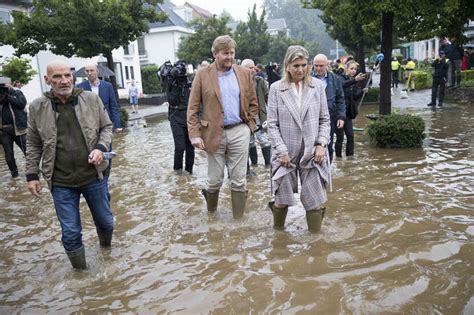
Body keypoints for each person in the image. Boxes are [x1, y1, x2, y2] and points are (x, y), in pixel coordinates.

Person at [26, 60, 114, 270]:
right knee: (71, 232)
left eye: (67, 75)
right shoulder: (38, 107)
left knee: (106, 222)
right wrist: (31, 175)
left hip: (94, 176)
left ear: (73, 77)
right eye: (57, 77)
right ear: (47, 80)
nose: (64, 81)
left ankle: (107, 253)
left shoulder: (91, 100)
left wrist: (100, 149)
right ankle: (81, 275)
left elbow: (107, 127)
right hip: (60, 181)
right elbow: (33, 142)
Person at [187, 35, 258, 219]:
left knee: (239, 179)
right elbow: (193, 107)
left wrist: (249, 126)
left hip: (239, 130)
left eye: (232, 53)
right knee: (215, 179)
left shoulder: (244, 73)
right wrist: (195, 134)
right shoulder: (203, 74)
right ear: (215, 54)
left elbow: (253, 102)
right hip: (212, 133)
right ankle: (212, 217)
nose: (229, 57)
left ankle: (238, 222)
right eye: (225, 53)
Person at [267, 45, 331, 233]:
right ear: (287, 66)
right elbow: (271, 124)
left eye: (304, 65)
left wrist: (321, 144)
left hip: (312, 153)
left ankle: (316, 242)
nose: (301, 70)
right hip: (285, 154)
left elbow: (325, 119)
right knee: (281, 200)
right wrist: (281, 151)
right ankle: (278, 236)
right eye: (296, 66)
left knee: (314, 201)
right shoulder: (276, 89)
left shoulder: (317, 87)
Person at [160, 60, 195, 175]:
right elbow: (163, 76)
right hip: (175, 115)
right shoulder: (170, 81)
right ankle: (178, 171)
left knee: (190, 146)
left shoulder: (189, 82)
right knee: (180, 146)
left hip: (189, 116)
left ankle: (189, 171)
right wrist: (172, 72)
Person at [312, 54, 346, 163]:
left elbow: (340, 99)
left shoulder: (335, 79)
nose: (318, 68)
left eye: (321, 66)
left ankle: (327, 169)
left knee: (328, 143)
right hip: (311, 118)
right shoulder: (307, 79)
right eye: (316, 66)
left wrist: (341, 117)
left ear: (327, 65)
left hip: (329, 118)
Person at [241, 58, 271, 166]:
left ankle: (269, 165)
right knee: (249, 141)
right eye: (250, 68)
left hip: (260, 115)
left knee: (263, 139)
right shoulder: (239, 81)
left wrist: (271, 113)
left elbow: (268, 97)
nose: (253, 70)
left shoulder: (260, 81)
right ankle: (254, 165)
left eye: (253, 67)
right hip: (245, 117)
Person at [76, 63, 122, 133]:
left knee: (107, 143)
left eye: (92, 70)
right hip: (89, 126)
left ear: (97, 71)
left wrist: (117, 125)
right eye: (87, 71)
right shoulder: (80, 87)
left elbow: (113, 106)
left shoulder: (107, 86)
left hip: (106, 124)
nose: (89, 73)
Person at [336, 60, 368, 157]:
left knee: (350, 136)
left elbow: (354, 96)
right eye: (351, 68)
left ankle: (350, 157)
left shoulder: (353, 81)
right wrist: (355, 80)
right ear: (346, 68)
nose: (353, 71)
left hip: (348, 114)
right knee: (340, 138)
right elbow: (342, 85)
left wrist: (362, 92)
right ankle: (338, 158)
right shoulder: (339, 78)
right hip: (338, 114)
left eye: (355, 69)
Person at [0, 76, 27, 178]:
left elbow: (22, 104)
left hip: (18, 127)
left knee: (27, 150)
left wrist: (8, 95)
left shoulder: (16, 92)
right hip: (4, 130)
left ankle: (34, 171)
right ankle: (14, 175)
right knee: (9, 154)